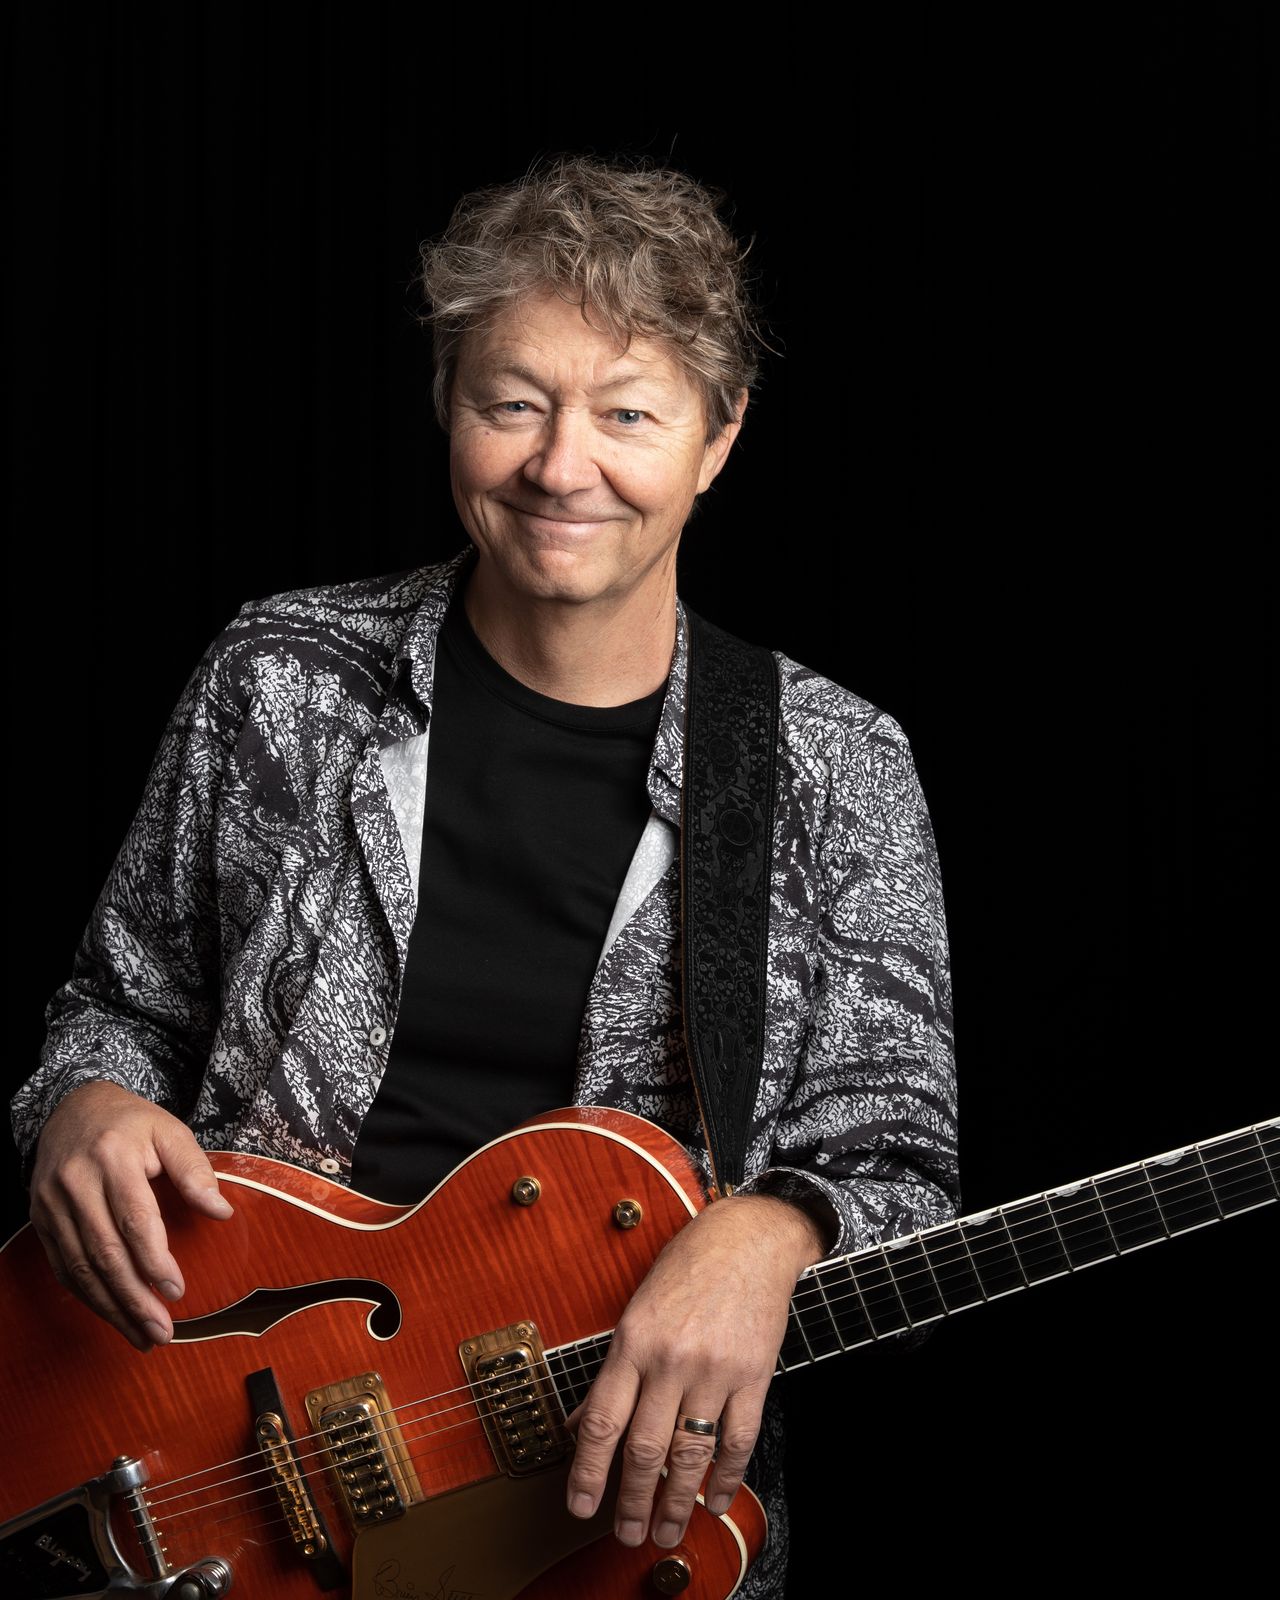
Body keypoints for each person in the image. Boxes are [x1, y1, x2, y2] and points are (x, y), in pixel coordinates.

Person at [11, 154, 960, 1596]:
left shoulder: (837, 769)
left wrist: (777, 1228)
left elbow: (902, 1177)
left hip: (591, 1525)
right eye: (513, 402)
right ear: (449, 402)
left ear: (718, 439)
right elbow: (120, 1005)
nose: (560, 468)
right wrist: (82, 1102)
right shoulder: (282, 676)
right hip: (213, 1448)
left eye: (628, 414)